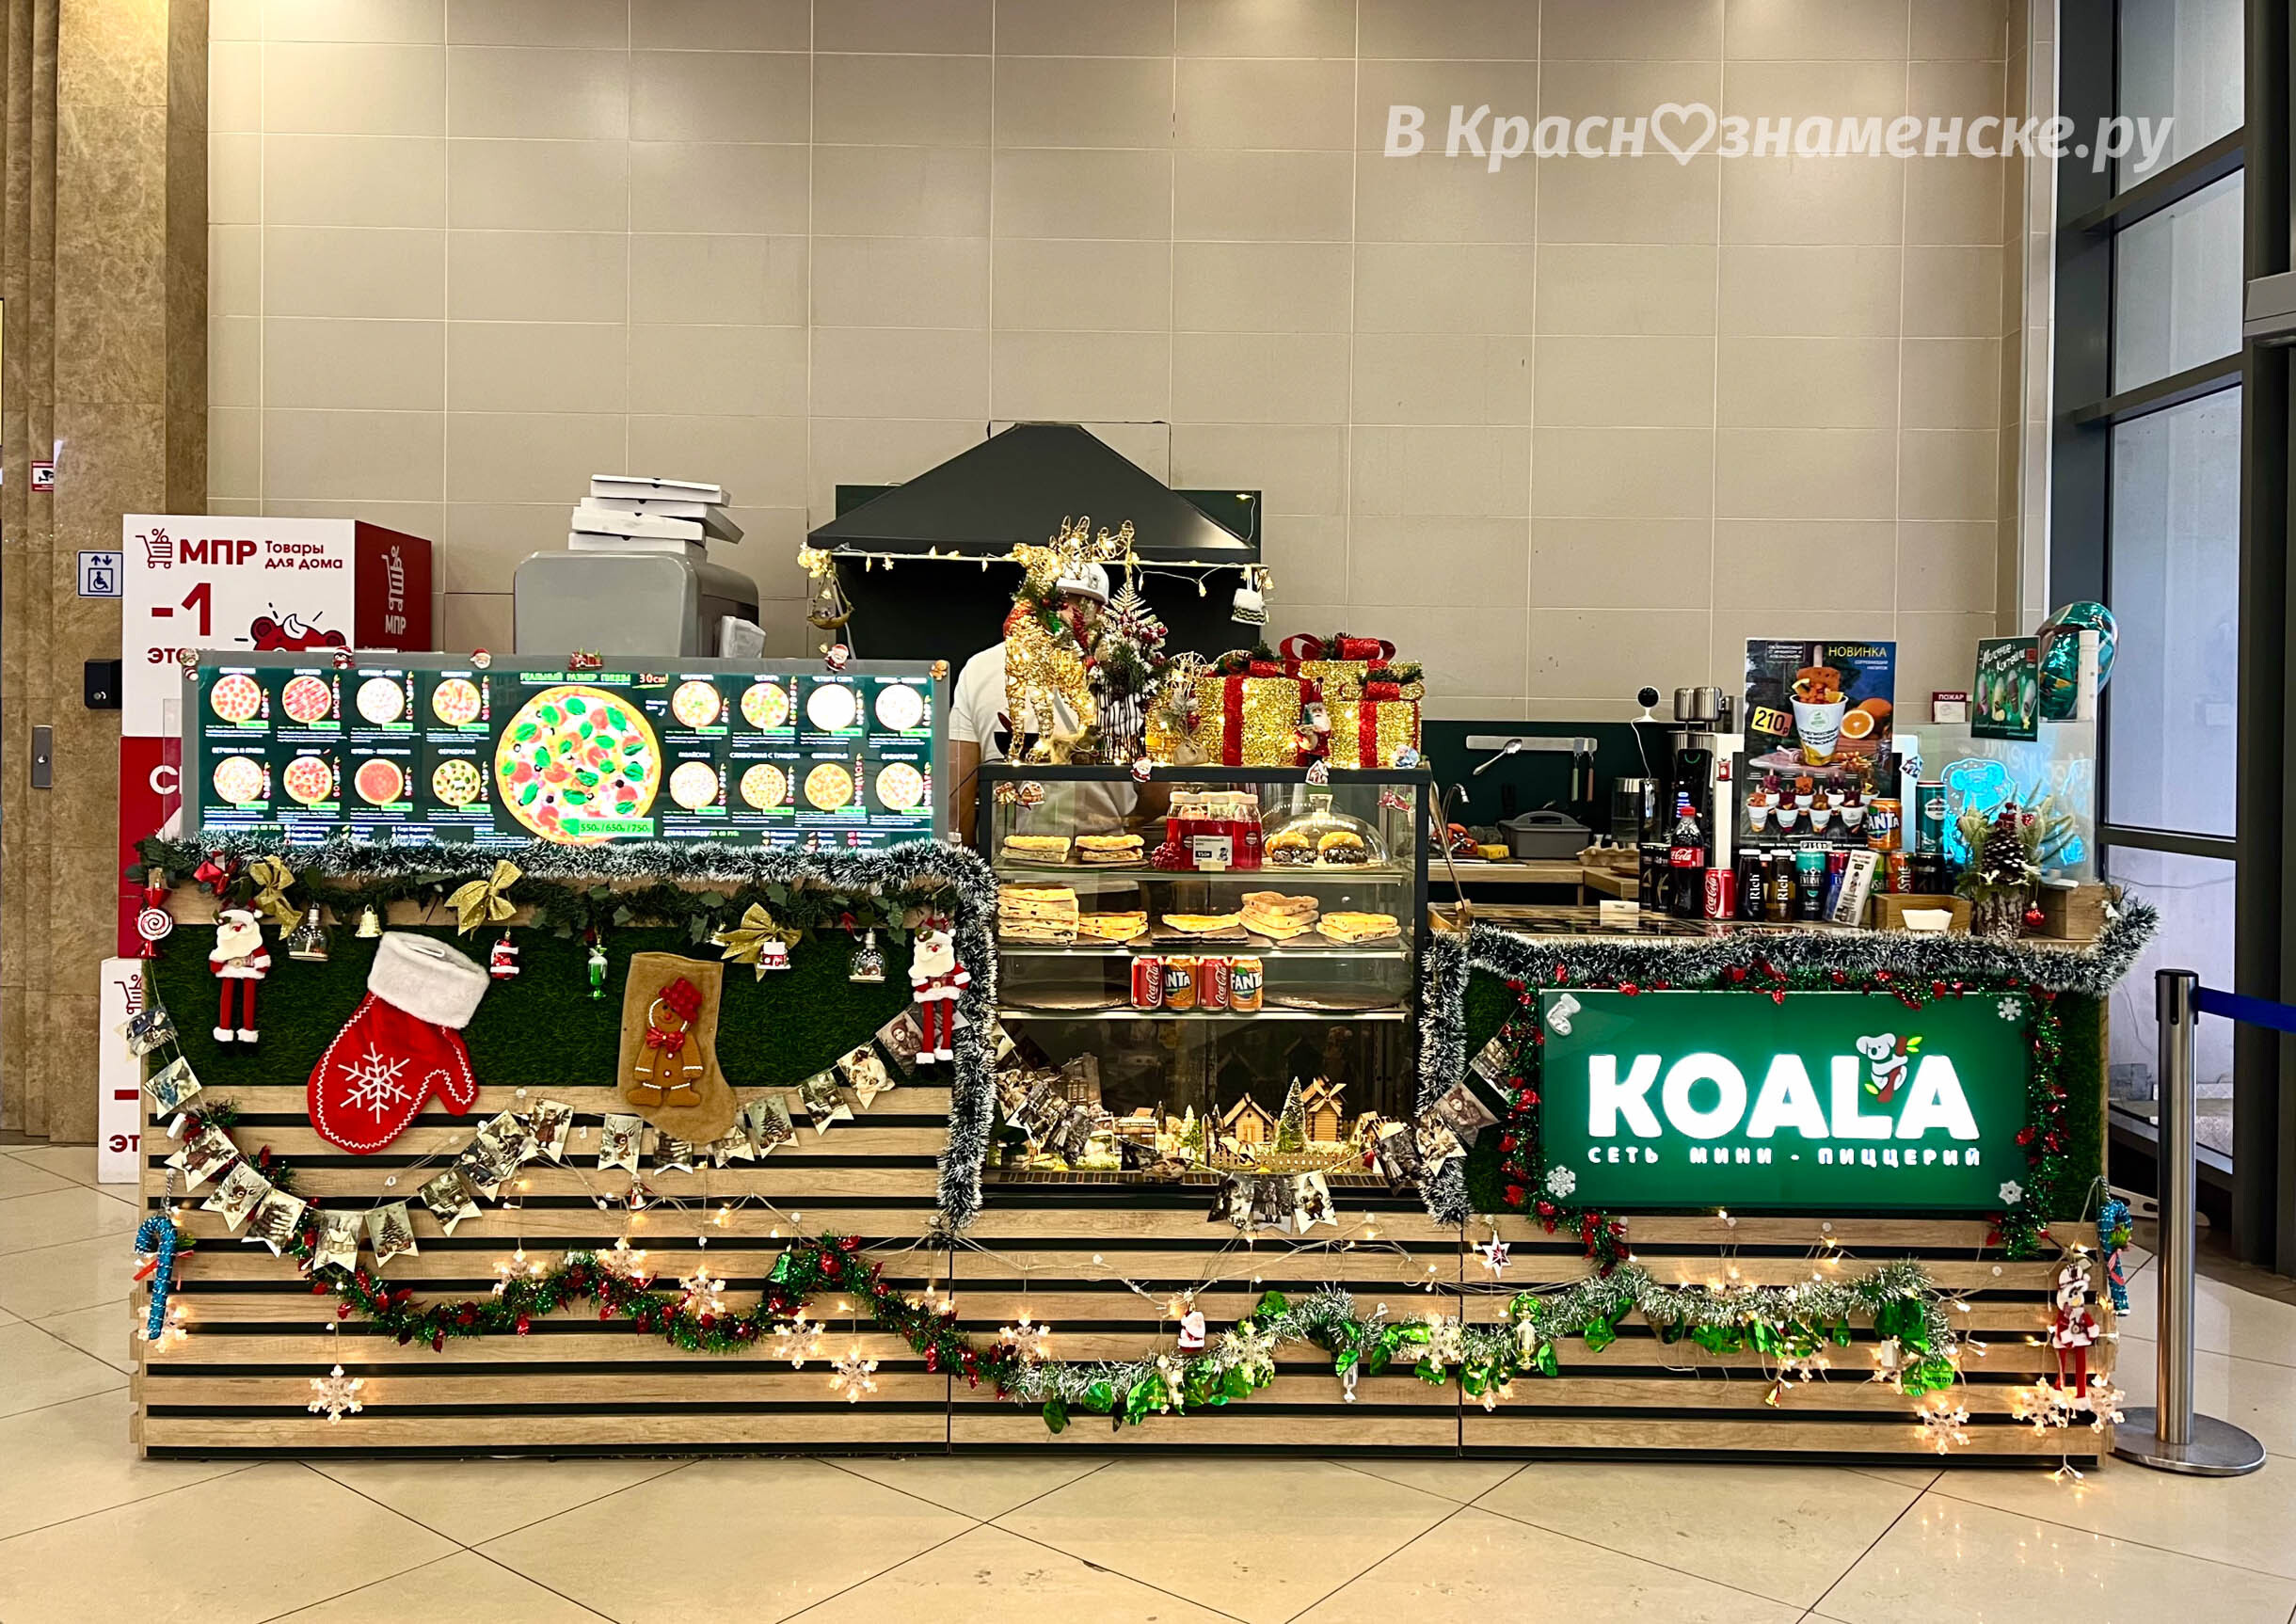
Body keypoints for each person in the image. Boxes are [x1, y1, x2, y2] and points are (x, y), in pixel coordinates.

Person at [948, 561, 1158, 845]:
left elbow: (957, 795)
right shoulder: (1133, 673)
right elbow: (1158, 794)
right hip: (1104, 857)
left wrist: (966, 862)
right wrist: (1124, 822)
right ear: (1104, 612)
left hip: (1011, 858)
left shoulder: (981, 668)